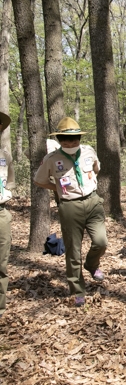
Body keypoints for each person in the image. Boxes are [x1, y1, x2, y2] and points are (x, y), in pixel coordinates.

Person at [33, 117, 108, 307]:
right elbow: (39, 180)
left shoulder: (88, 151)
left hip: (92, 202)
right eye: (65, 139)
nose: (71, 142)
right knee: (73, 251)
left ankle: (92, 265)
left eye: (75, 138)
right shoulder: (52, 159)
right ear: (58, 139)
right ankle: (77, 290)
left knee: (101, 242)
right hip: (69, 206)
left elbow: (96, 168)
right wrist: (57, 188)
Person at [0, 112, 15, 318]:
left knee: (1, 264)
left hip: (2, 214)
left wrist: (8, 192)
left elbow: (10, 180)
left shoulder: (5, 155)